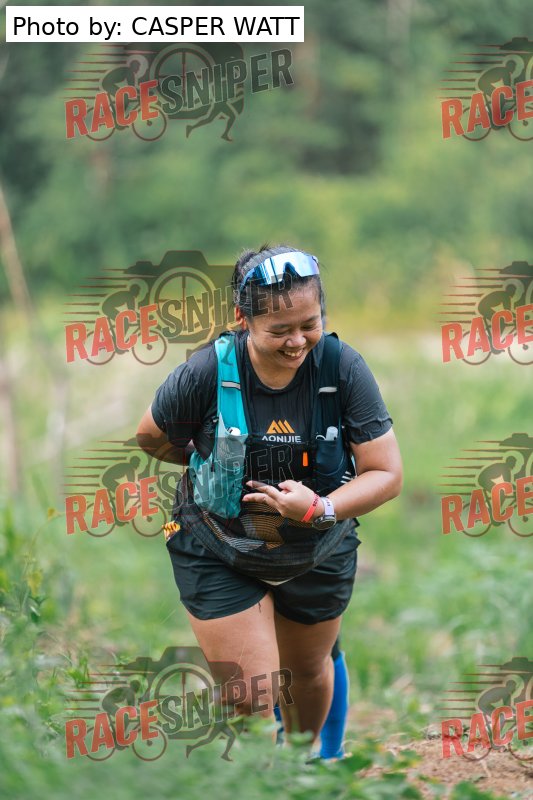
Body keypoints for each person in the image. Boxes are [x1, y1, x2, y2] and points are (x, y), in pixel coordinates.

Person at [136, 244, 402, 757]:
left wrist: (320, 508)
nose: (297, 340)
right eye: (280, 330)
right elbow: (151, 437)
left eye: (309, 324)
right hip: (217, 544)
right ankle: (261, 780)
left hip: (317, 547)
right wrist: (211, 465)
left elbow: (386, 473)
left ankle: (304, 765)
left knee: (307, 671)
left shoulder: (343, 368)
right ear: (243, 319)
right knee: (250, 696)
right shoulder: (205, 372)